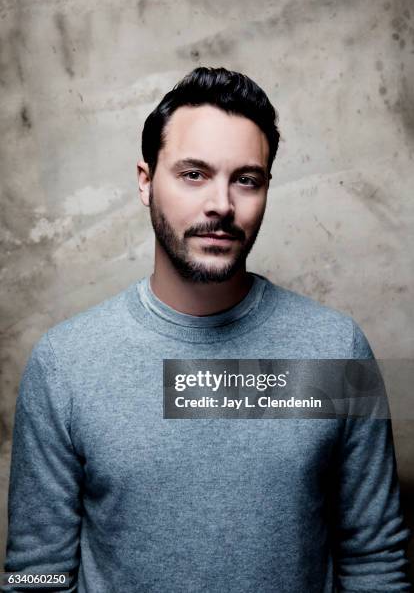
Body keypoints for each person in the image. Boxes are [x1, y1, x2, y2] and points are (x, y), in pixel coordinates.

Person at [4, 67, 411, 592]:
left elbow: (374, 560)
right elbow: (36, 575)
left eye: (246, 179)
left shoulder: (335, 350)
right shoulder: (66, 363)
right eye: (193, 174)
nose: (221, 204)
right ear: (145, 182)